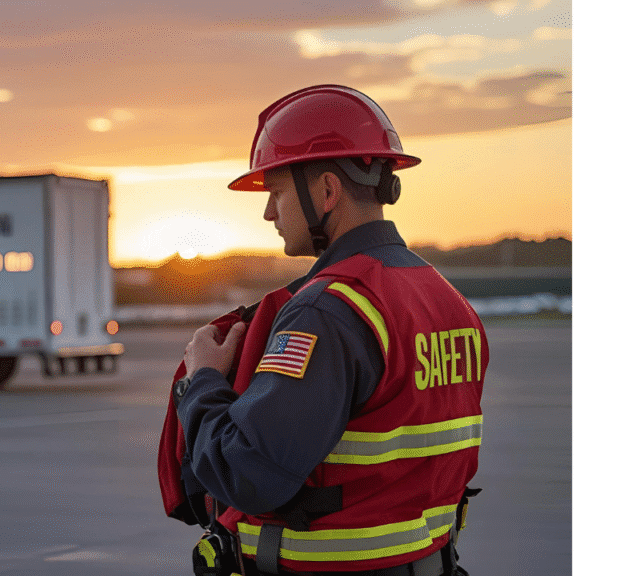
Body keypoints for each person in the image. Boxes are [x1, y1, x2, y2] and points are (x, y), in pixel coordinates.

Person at [158, 85, 487, 576]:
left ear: (327, 192)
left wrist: (202, 381)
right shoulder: (448, 299)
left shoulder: (326, 311)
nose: (269, 212)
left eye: (277, 192)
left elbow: (247, 475)